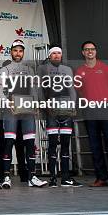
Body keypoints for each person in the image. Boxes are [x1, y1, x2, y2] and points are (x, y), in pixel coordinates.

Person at [75, 41, 108, 188]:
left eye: (92, 49)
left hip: (105, 109)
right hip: (90, 110)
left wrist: (105, 98)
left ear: (95, 51)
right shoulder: (79, 71)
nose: (90, 52)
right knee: (94, 144)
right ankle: (101, 178)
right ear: (83, 53)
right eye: (87, 50)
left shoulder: (106, 69)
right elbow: (78, 90)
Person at [0, 39, 47, 188]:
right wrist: (8, 102)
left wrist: (36, 104)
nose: (18, 53)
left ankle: (32, 177)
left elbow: (34, 90)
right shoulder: (4, 70)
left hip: (27, 111)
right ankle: (6, 177)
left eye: (20, 51)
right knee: (9, 141)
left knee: (29, 142)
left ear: (23, 53)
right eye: (15, 50)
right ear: (11, 52)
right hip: (11, 110)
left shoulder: (29, 70)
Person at [37, 47, 82, 187]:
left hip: (66, 111)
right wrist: (45, 105)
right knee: (52, 145)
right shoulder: (42, 69)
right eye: (54, 53)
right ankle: (52, 178)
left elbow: (72, 89)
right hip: (51, 111)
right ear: (49, 56)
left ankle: (66, 178)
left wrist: (73, 106)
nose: (57, 55)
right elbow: (39, 90)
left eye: (59, 53)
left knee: (65, 145)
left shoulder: (67, 69)